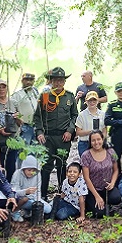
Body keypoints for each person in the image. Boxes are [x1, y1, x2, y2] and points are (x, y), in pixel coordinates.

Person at [34, 67, 78, 199]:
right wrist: (40, 132)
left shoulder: (69, 97)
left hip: (63, 137)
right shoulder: (45, 96)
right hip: (48, 137)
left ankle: (62, 194)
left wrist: (70, 130)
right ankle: (42, 196)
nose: (58, 83)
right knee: (46, 166)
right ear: (51, 81)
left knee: (62, 164)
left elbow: (75, 115)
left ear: (64, 82)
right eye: (55, 81)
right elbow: (38, 116)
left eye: (61, 81)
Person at [80, 130, 122, 218]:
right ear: (90, 142)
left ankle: (105, 203)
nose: (96, 142)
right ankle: (91, 203)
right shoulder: (85, 155)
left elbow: (116, 170)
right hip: (92, 190)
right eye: (93, 140)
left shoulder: (111, 152)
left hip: (107, 188)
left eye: (98, 139)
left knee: (116, 198)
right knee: (99, 214)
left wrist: (112, 183)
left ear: (103, 140)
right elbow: (86, 178)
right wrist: (97, 196)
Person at [10, 155, 52, 222]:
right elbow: (13, 192)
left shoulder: (37, 175)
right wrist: (25, 192)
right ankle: (15, 212)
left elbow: (38, 191)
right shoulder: (17, 174)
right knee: (25, 199)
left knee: (48, 209)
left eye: (33, 170)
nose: (31, 172)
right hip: (19, 199)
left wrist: (38, 203)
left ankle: (28, 211)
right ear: (24, 168)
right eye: (29, 170)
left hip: (33, 199)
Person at [74, 91, 107, 156]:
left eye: (94, 100)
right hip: (85, 143)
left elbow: (104, 130)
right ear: (86, 102)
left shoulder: (103, 114)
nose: (92, 102)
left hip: (98, 143)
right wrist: (92, 132)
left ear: (97, 101)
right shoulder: (81, 115)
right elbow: (78, 132)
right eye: (89, 101)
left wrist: (102, 140)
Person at [11, 72, 40, 144]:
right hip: (24, 126)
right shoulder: (17, 94)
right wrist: (17, 119)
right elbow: (12, 109)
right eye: (26, 80)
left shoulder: (35, 92)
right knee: (25, 148)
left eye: (31, 80)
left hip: (36, 125)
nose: (28, 82)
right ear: (22, 81)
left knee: (36, 149)